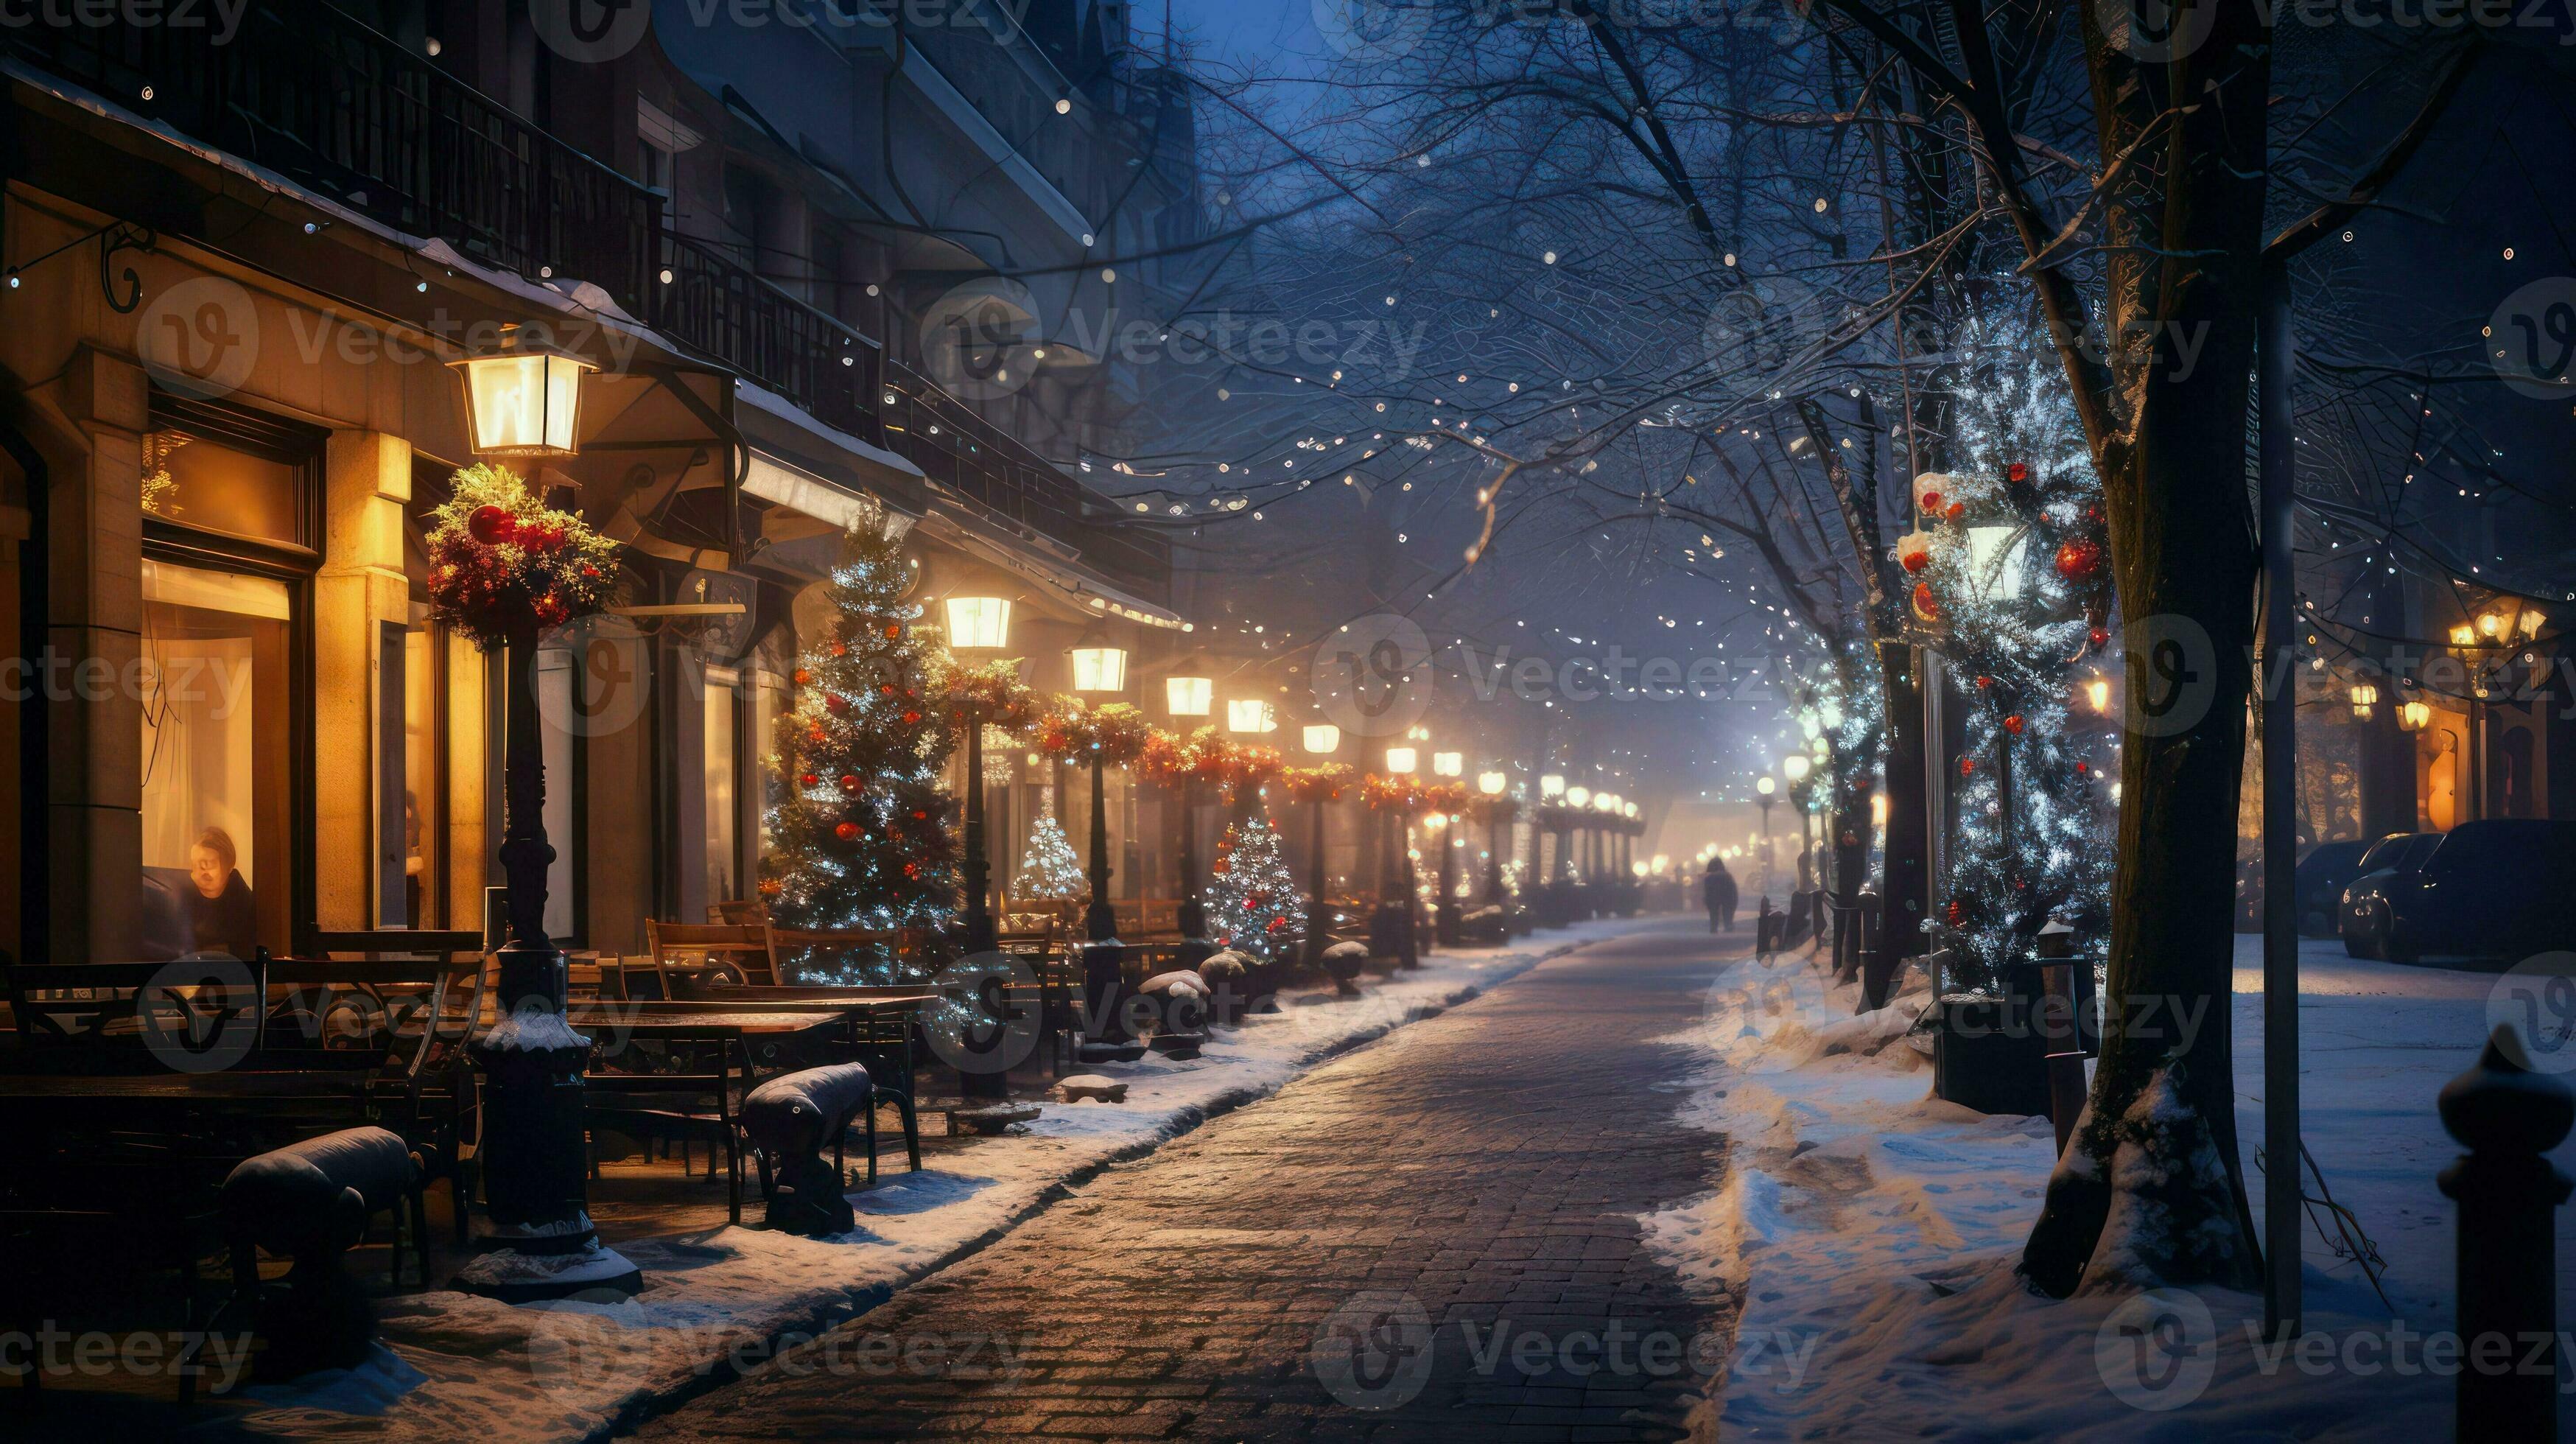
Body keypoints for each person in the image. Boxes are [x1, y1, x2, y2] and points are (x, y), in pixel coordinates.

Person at [185, 825, 258, 958]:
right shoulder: (183, 895)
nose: (202, 872)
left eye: (208, 864)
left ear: (228, 866)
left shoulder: (244, 904)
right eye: (196, 865)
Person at [1702, 856, 1738, 933]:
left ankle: (1714, 928)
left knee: (1714, 913)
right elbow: (1733, 890)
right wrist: (1734, 902)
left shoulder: (1709, 878)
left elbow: (1707, 892)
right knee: (1727, 912)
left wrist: (1707, 902)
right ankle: (1728, 927)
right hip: (1727, 897)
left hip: (1714, 897)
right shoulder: (1728, 876)